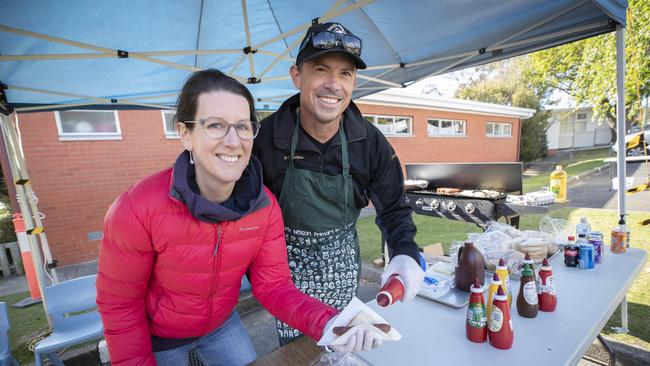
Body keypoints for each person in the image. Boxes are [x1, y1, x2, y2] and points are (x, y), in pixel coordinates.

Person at [96, 69, 381, 366]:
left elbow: (274, 286)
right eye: (216, 125)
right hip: (159, 336)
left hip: (222, 325)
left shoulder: (264, 206)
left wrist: (328, 323)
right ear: (185, 134)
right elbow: (120, 306)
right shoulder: (137, 208)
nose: (234, 141)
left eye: (243, 126)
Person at [253, 22, 425, 345]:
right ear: (297, 76)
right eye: (321, 69)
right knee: (299, 356)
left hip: (343, 276)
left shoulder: (369, 143)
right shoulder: (266, 141)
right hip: (289, 289)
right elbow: (246, 218)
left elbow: (394, 211)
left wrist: (404, 252)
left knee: (346, 351)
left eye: (345, 74)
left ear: (354, 82)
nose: (334, 84)